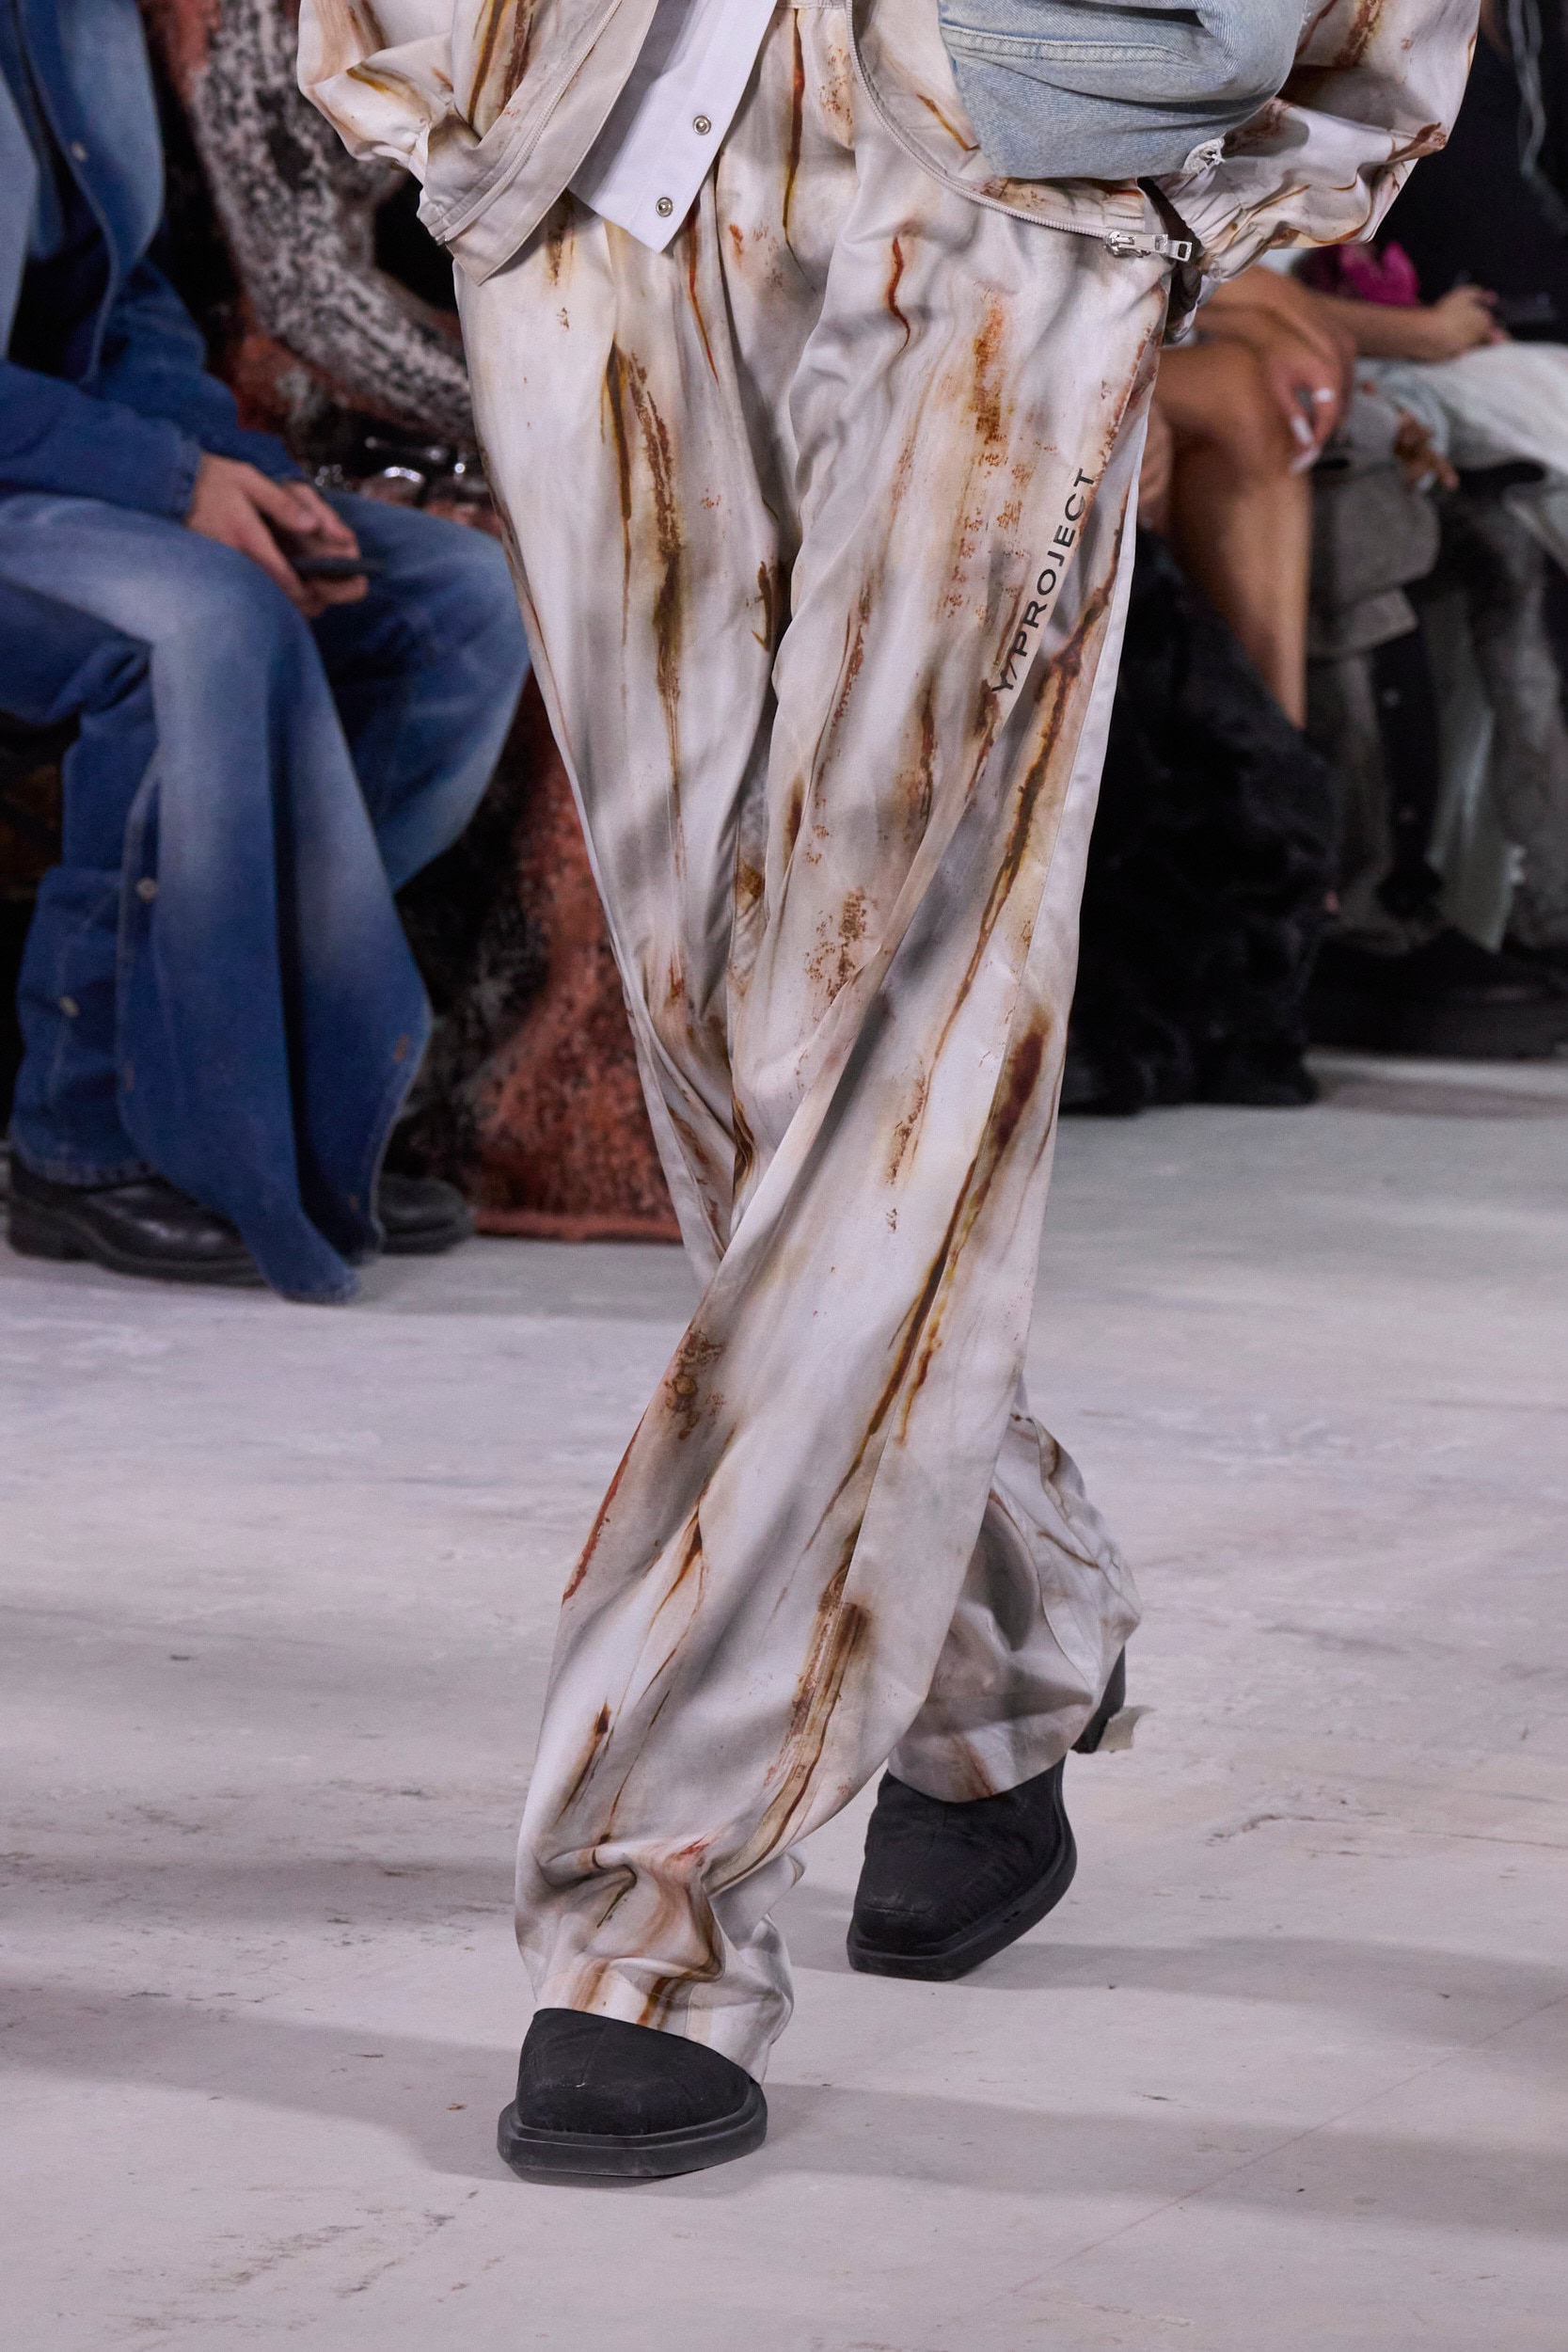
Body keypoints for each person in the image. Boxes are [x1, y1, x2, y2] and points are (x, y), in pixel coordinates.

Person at [303, 0, 1480, 2178]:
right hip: (591, 163)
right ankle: (999, 1647)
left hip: (1003, 162)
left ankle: (652, 1898)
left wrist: (1257, 149)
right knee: (725, 1038)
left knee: (885, 1018)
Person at [0, 0, 531, 1301]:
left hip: (65, 467)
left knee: (454, 604)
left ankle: (263, 1089)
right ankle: (82, 1131)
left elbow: (123, 307)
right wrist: (171, 483)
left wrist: (243, 476)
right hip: (50, 481)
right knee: (202, 620)